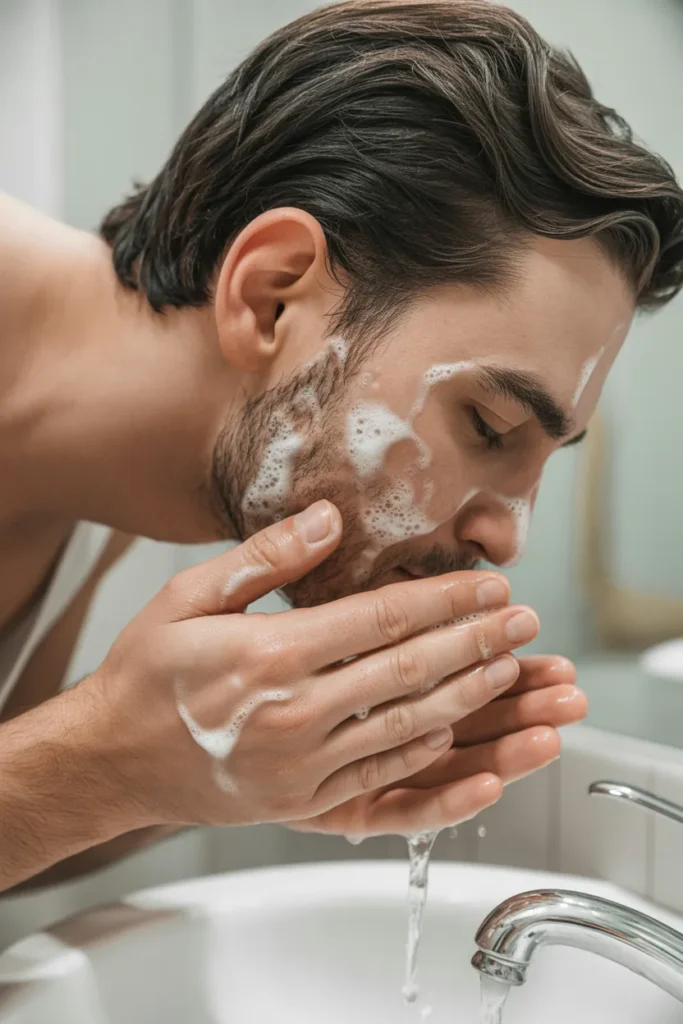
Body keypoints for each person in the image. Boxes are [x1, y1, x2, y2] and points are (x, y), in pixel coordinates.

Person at [1, 0, 681, 894]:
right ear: (274, 294)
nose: (508, 535)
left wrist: (218, 779)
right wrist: (97, 761)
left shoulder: (137, 477)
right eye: (488, 427)